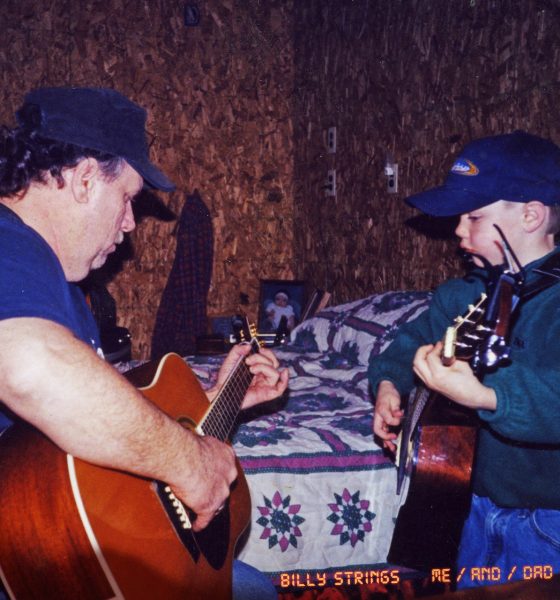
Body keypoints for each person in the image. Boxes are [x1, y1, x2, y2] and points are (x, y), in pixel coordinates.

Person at [0, 87, 288, 599]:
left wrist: (217, 405)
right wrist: (189, 460)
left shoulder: (59, 283)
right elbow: (29, 366)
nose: (131, 224)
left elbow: (86, 433)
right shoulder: (8, 243)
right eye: (128, 198)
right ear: (86, 180)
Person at [370, 131, 560, 589]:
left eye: (474, 216)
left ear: (532, 215)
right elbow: (403, 344)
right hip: (470, 507)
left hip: (547, 524)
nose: (458, 230)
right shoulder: (465, 295)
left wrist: (488, 395)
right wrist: (388, 386)